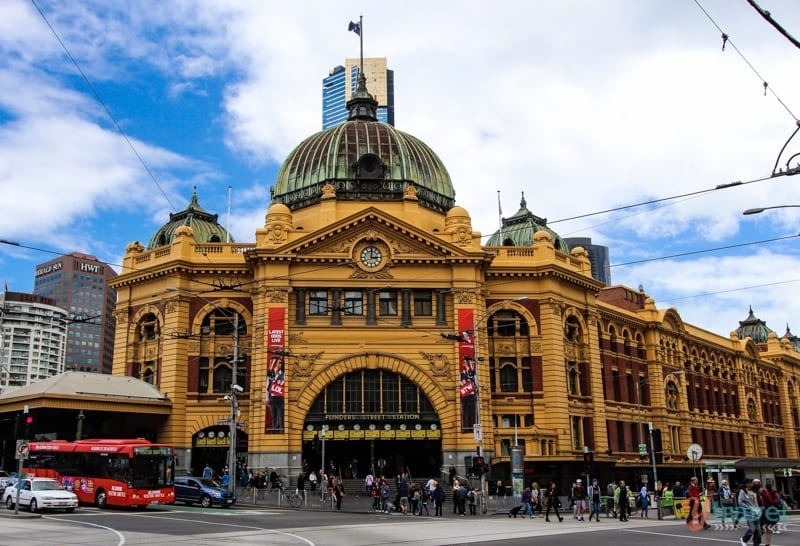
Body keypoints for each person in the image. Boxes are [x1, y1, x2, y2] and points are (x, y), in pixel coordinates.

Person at [739, 478, 761, 546]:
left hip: (756, 512)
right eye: (750, 483)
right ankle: (744, 539)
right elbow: (740, 502)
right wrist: (748, 508)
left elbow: (756, 501)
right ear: (746, 484)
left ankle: (756, 544)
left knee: (758, 530)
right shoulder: (743, 492)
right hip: (749, 513)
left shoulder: (754, 491)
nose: (751, 484)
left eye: (751, 483)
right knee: (752, 529)